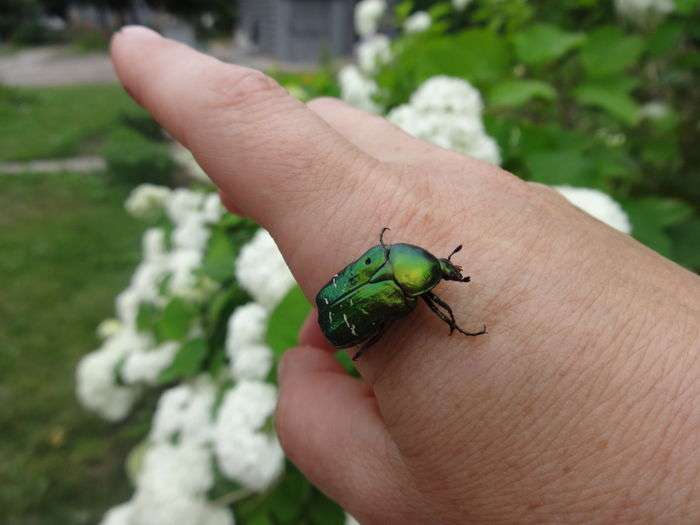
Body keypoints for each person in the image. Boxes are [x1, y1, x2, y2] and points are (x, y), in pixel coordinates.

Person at [110, 26, 700, 524]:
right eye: (443, 270)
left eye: (441, 269)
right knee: (403, 327)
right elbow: (419, 300)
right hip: (353, 305)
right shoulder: (410, 286)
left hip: (352, 288)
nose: (446, 277)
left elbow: (404, 272)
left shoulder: (399, 260)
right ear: (422, 272)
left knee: (395, 320)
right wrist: (450, 317)